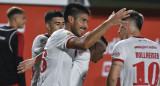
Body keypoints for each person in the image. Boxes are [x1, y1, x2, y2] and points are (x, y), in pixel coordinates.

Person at [17, 2, 129, 86]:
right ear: (70, 19)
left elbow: (50, 52)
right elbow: (85, 43)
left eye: (87, 21)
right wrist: (109, 23)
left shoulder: (66, 42)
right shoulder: (62, 34)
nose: (85, 26)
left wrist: (34, 60)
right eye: (83, 20)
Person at [107, 10, 160, 86]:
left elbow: (112, 78)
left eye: (120, 26)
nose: (118, 31)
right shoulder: (157, 47)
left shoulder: (122, 45)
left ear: (125, 26)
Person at [31, 10, 64, 86]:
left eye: (63, 24)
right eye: (57, 24)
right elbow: (51, 50)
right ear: (48, 26)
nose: (62, 28)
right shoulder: (40, 39)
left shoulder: (63, 42)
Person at [0, 7, 26, 86]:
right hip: (11, 82)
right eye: (23, 18)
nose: (25, 21)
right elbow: (19, 62)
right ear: (16, 19)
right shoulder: (17, 36)